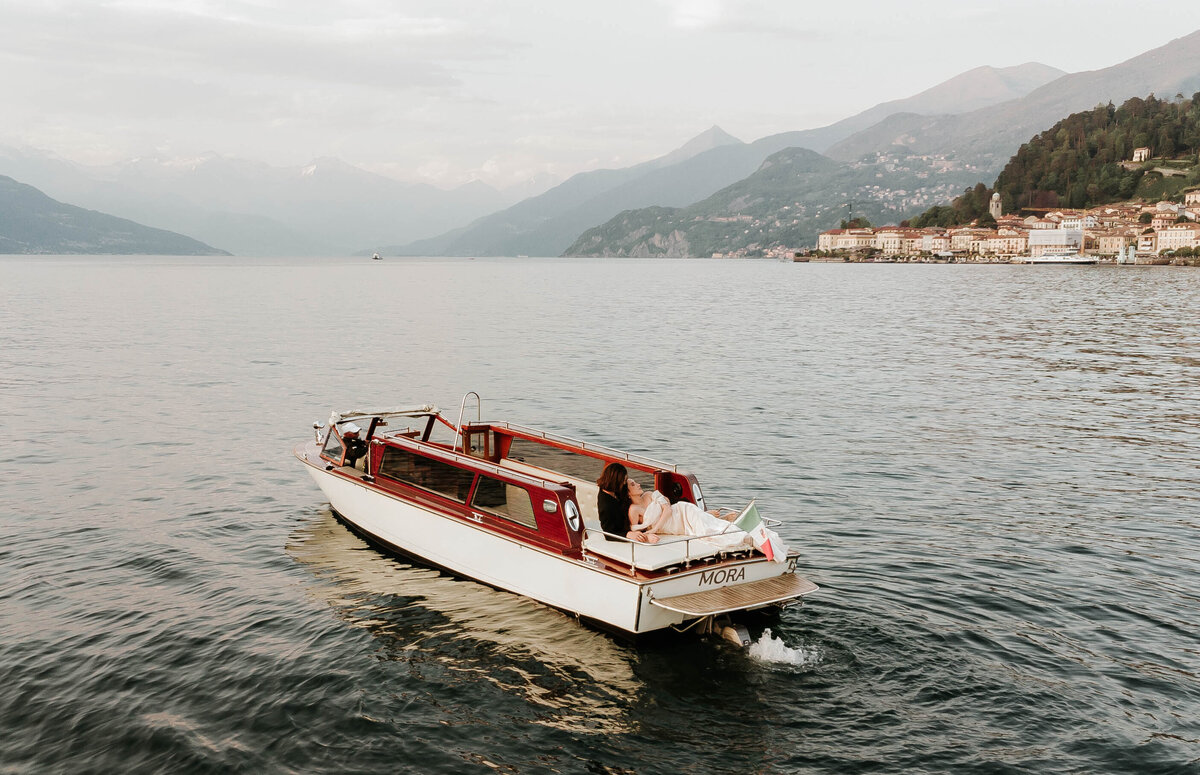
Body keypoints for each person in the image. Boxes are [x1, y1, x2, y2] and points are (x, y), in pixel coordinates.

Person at [621, 478, 753, 550]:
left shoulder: (649, 495)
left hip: (681, 512)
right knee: (701, 529)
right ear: (628, 493)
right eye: (633, 484)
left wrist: (654, 529)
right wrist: (648, 536)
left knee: (705, 531)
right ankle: (714, 517)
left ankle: (746, 537)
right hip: (671, 527)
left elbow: (668, 509)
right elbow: (635, 529)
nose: (638, 484)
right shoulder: (634, 510)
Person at [596, 462, 657, 543]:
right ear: (616, 481)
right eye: (623, 481)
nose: (624, 483)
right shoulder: (606, 505)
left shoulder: (616, 490)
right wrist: (628, 534)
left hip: (637, 520)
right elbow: (608, 533)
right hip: (628, 529)